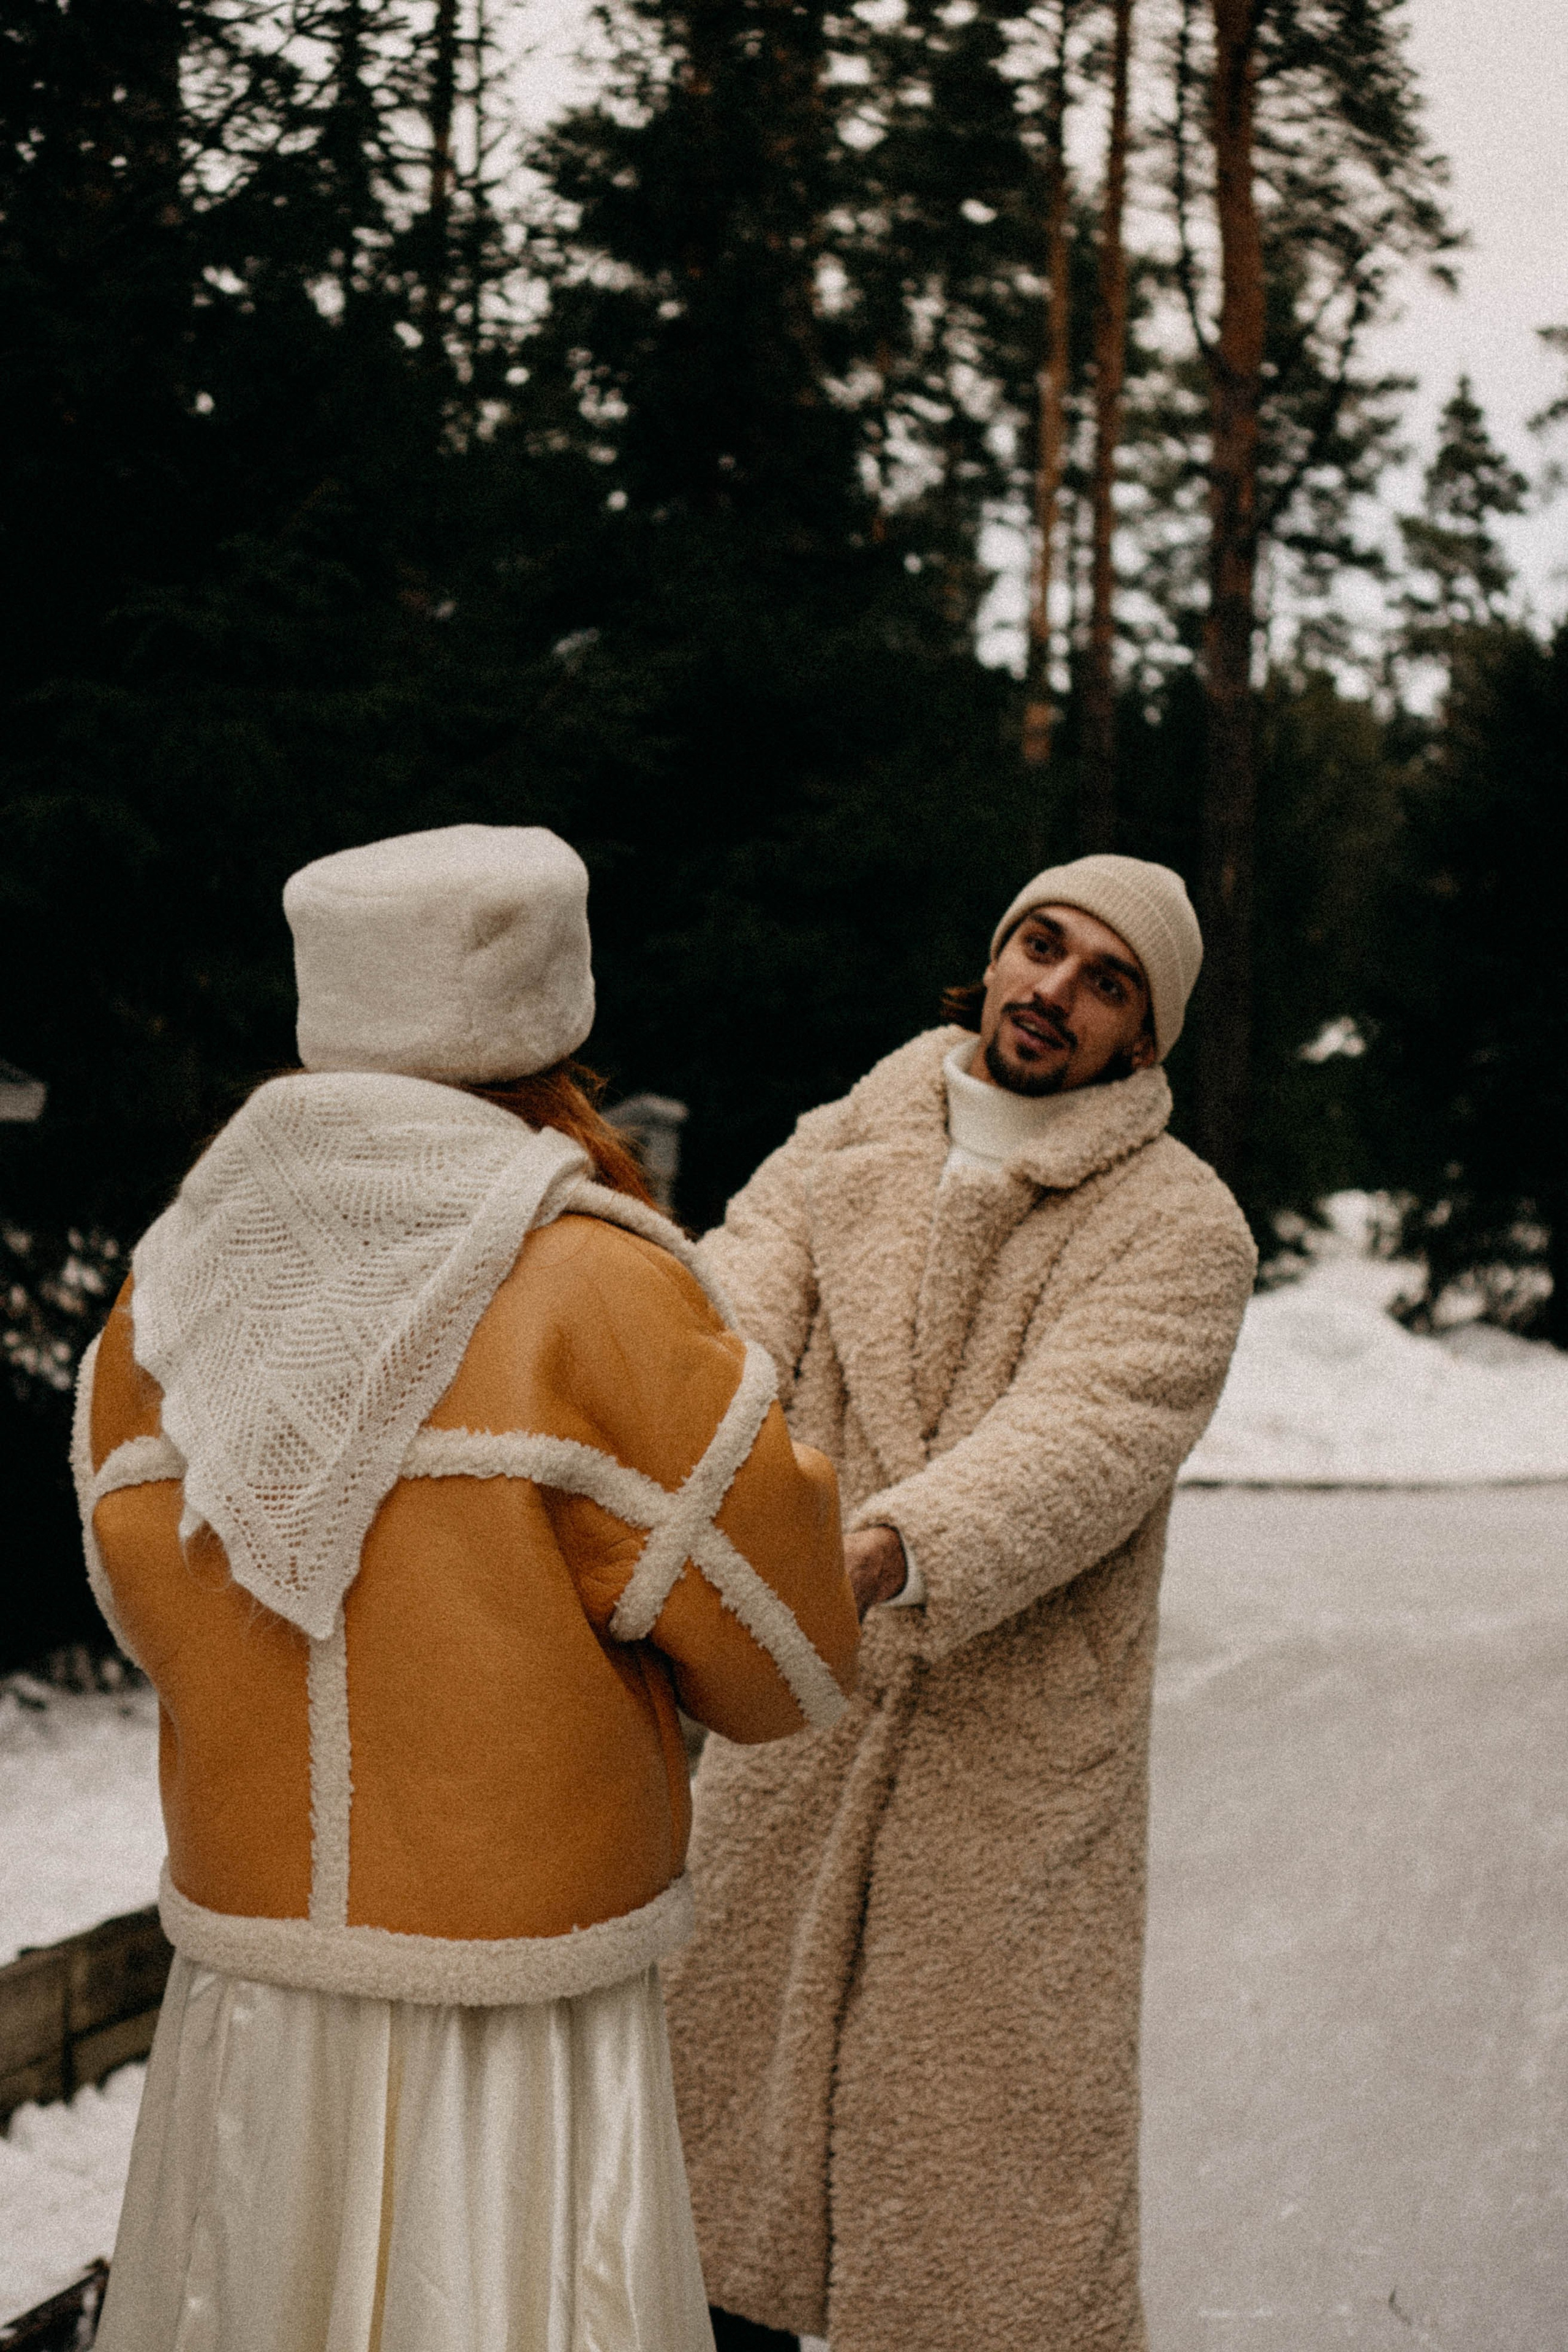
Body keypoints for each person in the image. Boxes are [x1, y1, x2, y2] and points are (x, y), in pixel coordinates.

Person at [72, 823, 859, 2352]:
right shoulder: (600, 1283)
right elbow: (783, 1663)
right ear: (546, 1024)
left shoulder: (169, 1288)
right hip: (517, 2020)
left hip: (255, 1994)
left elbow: (145, 1599)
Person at [662, 854, 1257, 2352]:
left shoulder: (1179, 1227)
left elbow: (1087, 1438)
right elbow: (723, 1329)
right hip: (792, 1727)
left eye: (1103, 979)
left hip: (1004, 1773)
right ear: (990, 958)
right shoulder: (843, 1139)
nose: (1051, 990)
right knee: (716, 2175)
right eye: (1036, 948)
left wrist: (876, 1553)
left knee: (975, 2216)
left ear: (1142, 1035)